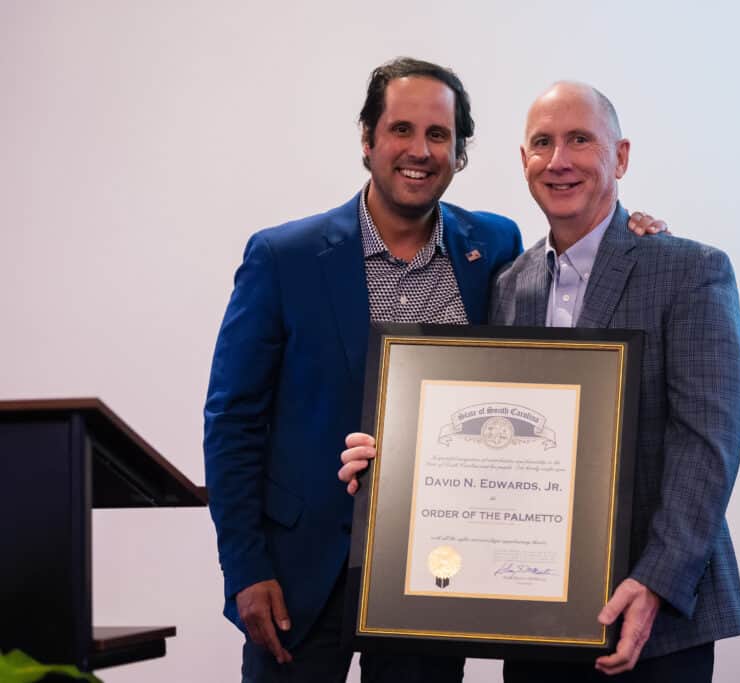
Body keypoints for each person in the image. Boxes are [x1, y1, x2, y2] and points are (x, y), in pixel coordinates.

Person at [206, 58, 666, 683]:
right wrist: (245, 567)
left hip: (435, 575)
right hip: (300, 570)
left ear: (459, 151)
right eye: (401, 129)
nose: (419, 151)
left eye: (439, 135)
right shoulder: (284, 257)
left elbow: (551, 334)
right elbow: (233, 420)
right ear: (367, 139)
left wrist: (635, 231)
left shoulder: (494, 247)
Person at [341, 81, 740, 681]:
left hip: (656, 623)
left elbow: (708, 446)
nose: (559, 161)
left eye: (580, 140)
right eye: (542, 143)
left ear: (620, 157)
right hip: (535, 623)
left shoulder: (690, 270)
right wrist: (392, 457)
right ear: (524, 160)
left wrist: (657, 581)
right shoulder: (510, 283)